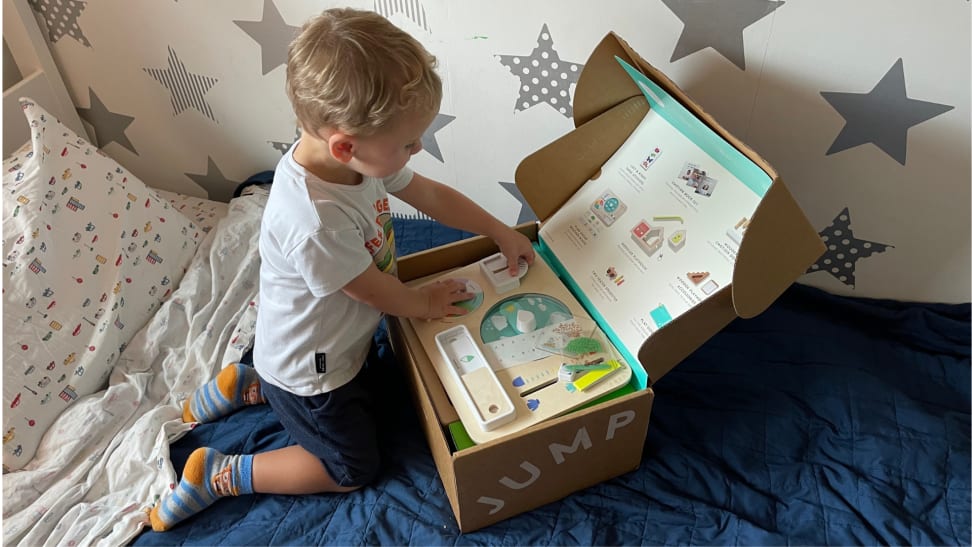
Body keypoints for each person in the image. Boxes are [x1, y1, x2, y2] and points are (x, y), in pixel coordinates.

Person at [149, 7, 535, 531]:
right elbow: (372, 291)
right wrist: (424, 302)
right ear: (346, 145)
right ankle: (224, 472)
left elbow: (430, 194)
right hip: (312, 376)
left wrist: (500, 230)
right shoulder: (313, 219)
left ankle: (248, 383)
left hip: (317, 347)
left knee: (383, 393)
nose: (416, 150)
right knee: (353, 468)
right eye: (407, 143)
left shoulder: (348, 162)